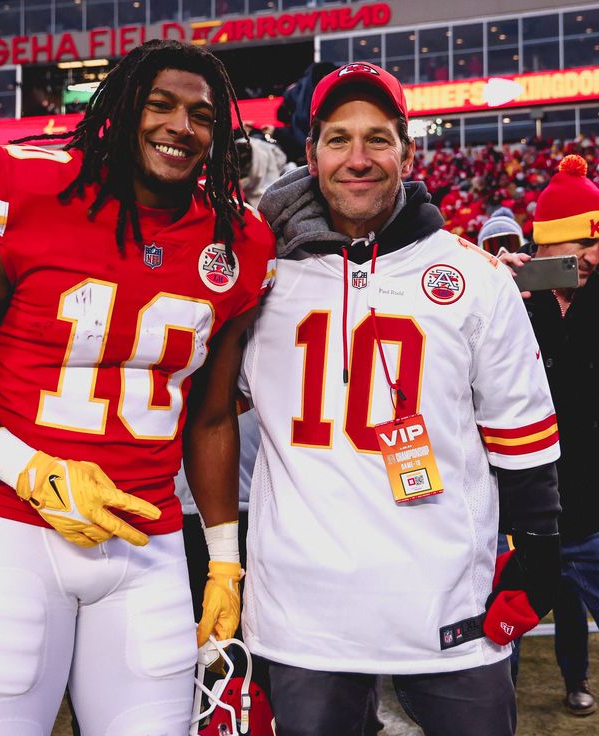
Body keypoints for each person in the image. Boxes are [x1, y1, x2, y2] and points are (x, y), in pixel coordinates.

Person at [0, 40, 276, 736]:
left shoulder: (237, 239)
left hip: (148, 544)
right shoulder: (29, 188)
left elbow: (211, 416)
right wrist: (29, 469)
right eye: (160, 105)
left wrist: (224, 561)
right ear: (121, 110)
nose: (180, 126)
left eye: (202, 115)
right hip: (18, 536)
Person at [239, 62, 562, 735]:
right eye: (338, 139)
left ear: (409, 154)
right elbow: (211, 406)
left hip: (449, 602)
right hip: (304, 611)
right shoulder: (260, 274)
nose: (359, 158)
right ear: (311, 154)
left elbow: (521, 432)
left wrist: (537, 553)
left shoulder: (473, 275)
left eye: (378, 139)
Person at [499, 154, 599, 717]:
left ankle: (575, 680)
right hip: (522, 515)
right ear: (546, 247)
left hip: (592, 514)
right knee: (496, 643)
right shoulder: (507, 296)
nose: (590, 258)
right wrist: (500, 286)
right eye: (578, 248)